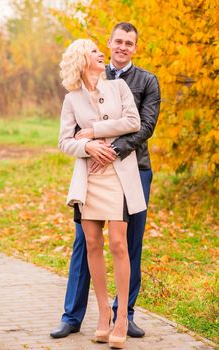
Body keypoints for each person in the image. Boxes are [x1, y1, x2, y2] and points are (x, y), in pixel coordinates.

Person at [51, 22, 161, 340]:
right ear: (110, 44)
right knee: (87, 245)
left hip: (131, 169)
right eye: (116, 42)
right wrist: (87, 146)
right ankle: (76, 315)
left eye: (130, 43)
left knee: (124, 244)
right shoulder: (75, 95)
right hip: (90, 177)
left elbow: (141, 125)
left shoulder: (141, 81)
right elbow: (66, 139)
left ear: (134, 48)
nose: (121, 47)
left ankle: (123, 314)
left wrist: (103, 143)